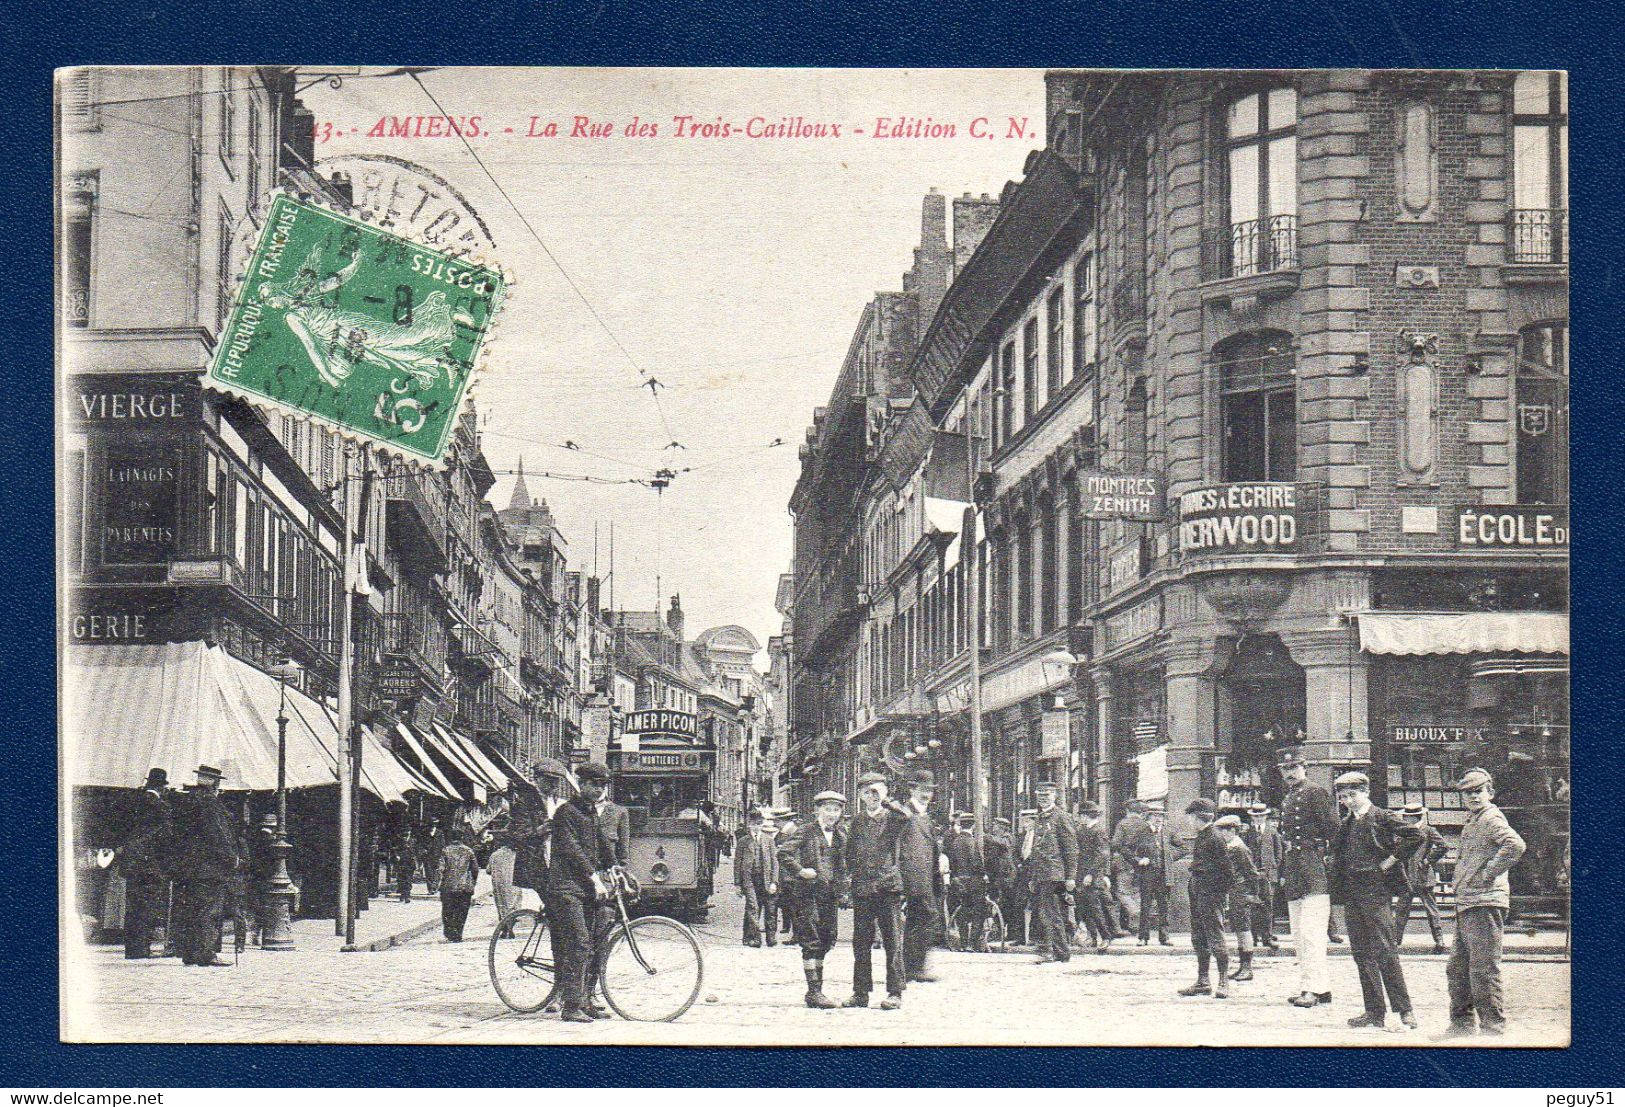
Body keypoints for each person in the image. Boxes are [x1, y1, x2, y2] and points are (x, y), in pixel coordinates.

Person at [1330, 770, 1424, 1029]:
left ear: (1366, 792)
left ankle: (1405, 1011)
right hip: (1352, 893)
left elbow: (1416, 835)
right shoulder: (1347, 823)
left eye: (1352, 795)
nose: (1348, 800)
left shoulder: (1382, 816)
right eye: (1343, 797)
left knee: (1385, 949)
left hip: (1376, 891)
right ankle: (1374, 1012)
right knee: (1361, 953)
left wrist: (1390, 861)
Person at [1440, 767, 1527, 1039]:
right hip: (1469, 901)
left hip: (1484, 901)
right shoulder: (1474, 819)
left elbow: (1515, 845)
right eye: (1467, 793)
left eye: (1478, 791)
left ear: (1490, 792)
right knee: (1458, 968)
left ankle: (1492, 1029)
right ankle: (1462, 1025)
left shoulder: (1490, 817)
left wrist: (1488, 874)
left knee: (1483, 968)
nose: (1473, 797)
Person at [546, 761, 618, 1023]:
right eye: (594, 785)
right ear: (582, 784)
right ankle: (571, 1005)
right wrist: (594, 877)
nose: (599, 790)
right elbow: (571, 849)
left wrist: (615, 868)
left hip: (584, 888)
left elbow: (602, 844)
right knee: (579, 942)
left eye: (602, 786)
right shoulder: (566, 812)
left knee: (596, 940)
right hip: (565, 887)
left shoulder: (590, 813)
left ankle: (586, 999)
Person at [1277, 746, 1340, 1008]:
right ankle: (1316, 987)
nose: (1290, 773)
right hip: (1294, 867)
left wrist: (1329, 863)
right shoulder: (1288, 798)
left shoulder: (1316, 793)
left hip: (1313, 865)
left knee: (1312, 933)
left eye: (1294, 768)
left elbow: (1334, 831)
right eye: (1285, 769)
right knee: (1298, 932)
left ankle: (1312, 989)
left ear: (1305, 767)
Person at [842, 771, 907, 1010]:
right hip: (862, 890)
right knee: (861, 943)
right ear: (859, 795)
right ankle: (860, 992)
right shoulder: (856, 822)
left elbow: (907, 817)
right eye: (867, 792)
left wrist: (887, 799)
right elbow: (849, 855)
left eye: (876, 791)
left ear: (885, 792)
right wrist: (849, 884)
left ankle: (895, 992)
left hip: (888, 888)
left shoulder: (894, 818)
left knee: (893, 942)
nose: (872, 797)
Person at [778, 790, 848, 1009]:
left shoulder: (841, 834)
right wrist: (800, 871)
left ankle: (817, 989)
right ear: (818, 810)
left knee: (827, 940)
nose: (831, 814)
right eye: (827, 809)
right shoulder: (806, 831)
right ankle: (814, 992)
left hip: (830, 896)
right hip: (807, 895)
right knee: (811, 941)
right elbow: (784, 853)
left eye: (836, 810)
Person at [168, 765, 244, 967]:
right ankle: (206, 953)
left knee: (192, 909)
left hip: (189, 865)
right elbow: (217, 834)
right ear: (215, 783)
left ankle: (190, 953)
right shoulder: (210, 802)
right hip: (209, 866)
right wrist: (231, 857)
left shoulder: (186, 800)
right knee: (209, 910)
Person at [1178, 803, 1238, 999]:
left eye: (1190, 817)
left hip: (1210, 893)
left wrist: (1220, 895)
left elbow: (1228, 871)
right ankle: (1203, 981)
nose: (1188, 821)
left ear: (1196, 817)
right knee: (1198, 936)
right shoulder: (1204, 836)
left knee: (1215, 936)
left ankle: (1223, 982)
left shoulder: (1214, 837)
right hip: (1198, 890)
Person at [116, 768, 172, 959]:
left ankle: (132, 949)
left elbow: (122, 828)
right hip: (149, 863)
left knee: (132, 906)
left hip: (131, 862)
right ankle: (142, 949)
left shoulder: (132, 800)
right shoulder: (159, 805)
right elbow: (165, 836)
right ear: (161, 787)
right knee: (147, 905)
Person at [897, 769, 947, 983]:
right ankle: (912, 967)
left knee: (920, 920)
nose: (926, 794)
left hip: (928, 876)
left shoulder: (925, 815)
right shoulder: (903, 813)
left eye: (929, 790)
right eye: (922, 789)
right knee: (923, 918)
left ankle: (914, 966)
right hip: (913, 877)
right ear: (912, 790)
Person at [1021, 781, 1077, 965]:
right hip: (1042, 875)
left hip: (1055, 875)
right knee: (1049, 914)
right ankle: (1057, 951)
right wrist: (1032, 877)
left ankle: (1055, 951)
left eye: (1046, 796)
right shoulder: (1040, 818)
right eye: (1040, 796)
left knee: (1052, 914)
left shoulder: (1061, 817)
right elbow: (1036, 850)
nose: (1043, 799)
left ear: (1055, 796)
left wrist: (1070, 876)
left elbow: (1070, 848)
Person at [1392, 801, 1450, 954]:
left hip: (1423, 877)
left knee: (1431, 912)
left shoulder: (1428, 830)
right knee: (1400, 911)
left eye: (1407, 816)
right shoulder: (1403, 831)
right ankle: (1395, 942)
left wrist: (1427, 860)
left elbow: (1443, 846)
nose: (1404, 818)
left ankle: (1440, 942)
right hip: (1406, 877)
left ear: (1414, 817)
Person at [1224, 813, 1265, 982]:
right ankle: (1242, 966)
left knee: (1244, 930)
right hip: (1235, 893)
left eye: (1226, 831)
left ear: (1234, 832)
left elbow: (1252, 873)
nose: (1223, 834)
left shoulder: (1240, 848)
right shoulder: (1231, 847)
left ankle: (1247, 968)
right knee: (1240, 930)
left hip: (1241, 893)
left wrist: (1252, 894)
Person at [1072, 800, 1114, 952]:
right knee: (1085, 909)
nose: (1080, 818)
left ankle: (1106, 936)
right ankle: (1093, 937)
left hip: (1092, 877)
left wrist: (1091, 874)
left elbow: (1102, 856)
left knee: (1095, 909)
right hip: (1081, 876)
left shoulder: (1099, 831)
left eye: (1081, 815)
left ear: (1087, 816)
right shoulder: (1083, 830)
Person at [1128, 803, 1173, 946]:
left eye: (1160, 816)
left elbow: (1183, 847)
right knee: (1145, 906)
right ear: (1148, 817)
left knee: (1163, 906)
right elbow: (1125, 848)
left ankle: (1164, 937)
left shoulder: (1168, 832)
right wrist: (1138, 860)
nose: (1158, 819)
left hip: (1164, 875)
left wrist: (1169, 856)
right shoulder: (1141, 832)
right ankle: (1143, 937)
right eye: (1155, 816)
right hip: (1146, 875)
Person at [735, 807, 780, 947]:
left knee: (770, 909)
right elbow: (737, 863)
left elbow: (775, 862)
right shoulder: (743, 841)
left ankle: (770, 937)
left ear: (762, 825)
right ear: (749, 824)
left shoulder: (769, 840)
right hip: (749, 880)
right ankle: (755, 938)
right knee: (753, 907)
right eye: (753, 824)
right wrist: (737, 884)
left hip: (766, 879)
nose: (756, 827)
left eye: (758, 824)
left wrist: (774, 881)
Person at [945, 812, 988, 951]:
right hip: (973, 880)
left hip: (959, 880)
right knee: (978, 911)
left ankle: (963, 943)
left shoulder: (955, 841)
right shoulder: (972, 841)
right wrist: (983, 874)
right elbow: (975, 863)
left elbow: (952, 862)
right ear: (974, 825)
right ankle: (972, 942)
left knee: (963, 910)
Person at [1243, 803, 1284, 949]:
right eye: (1256, 816)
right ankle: (1253, 937)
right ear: (1252, 818)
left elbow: (1279, 854)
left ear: (1265, 816)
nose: (1258, 819)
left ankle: (1267, 937)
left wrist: (1272, 867)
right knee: (1253, 905)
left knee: (1268, 906)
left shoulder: (1272, 832)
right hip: (1252, 874)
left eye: (1261, 816)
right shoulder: (1247, 833)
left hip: (1268, 875)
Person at [1110, 799, 1149, 936]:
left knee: (1122, 892)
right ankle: (1135, 926)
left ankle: (1134, 912)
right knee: (1136, 892)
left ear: (1127, 811)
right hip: (1142, 863)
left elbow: (1115, 843)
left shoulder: (1123, 824)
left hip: (1124, 863)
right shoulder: (1145, 825)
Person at [437, 831, 480, 943]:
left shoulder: (445, 851)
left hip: (448, 885)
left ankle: (449, 931)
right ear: (462, 838)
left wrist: (439, 882)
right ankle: (458, 933)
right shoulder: (469, 851)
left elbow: (440, 868)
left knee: (448, 910)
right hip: (464, 886)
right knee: (462, 910)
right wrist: (473, 881)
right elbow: (475, 869)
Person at [418, 818, 446, 895]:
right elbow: (420, 843)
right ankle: (430, 889)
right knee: (428, 872)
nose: (433, 825)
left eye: (435, 824)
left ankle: (435, 887)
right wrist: (423, 850)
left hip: (437, 855)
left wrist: (442, 854)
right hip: (427, 856)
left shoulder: (440, 833)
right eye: (432, 823)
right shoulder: (424, 832)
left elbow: (443, 844)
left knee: (437, 872)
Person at [391, 828, 417, 903]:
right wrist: (396, 855)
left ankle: (407, 896)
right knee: (401, 880)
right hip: (401, 863)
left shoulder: (413, 841)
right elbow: (395, 850)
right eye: (406, 831)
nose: (407, 833)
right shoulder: (400, 840)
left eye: (408, 831)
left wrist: (418, 862)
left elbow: (416, 852)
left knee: (408, 880)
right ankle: (402, 895)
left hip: (410, 863)